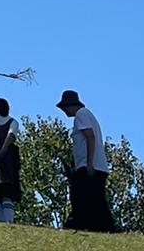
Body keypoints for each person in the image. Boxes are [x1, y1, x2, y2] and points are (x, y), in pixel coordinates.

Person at [56, 90, 115, 232]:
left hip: (89, 165)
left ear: (70, 105)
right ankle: (99, 226)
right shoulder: (88, 115)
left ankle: (79, 222)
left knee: (80, 195)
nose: (64, 111)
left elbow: (90, 136)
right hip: (96, 165)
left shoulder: (81, 115)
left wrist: (89, 163)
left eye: (65, 107)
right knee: (95, 198)